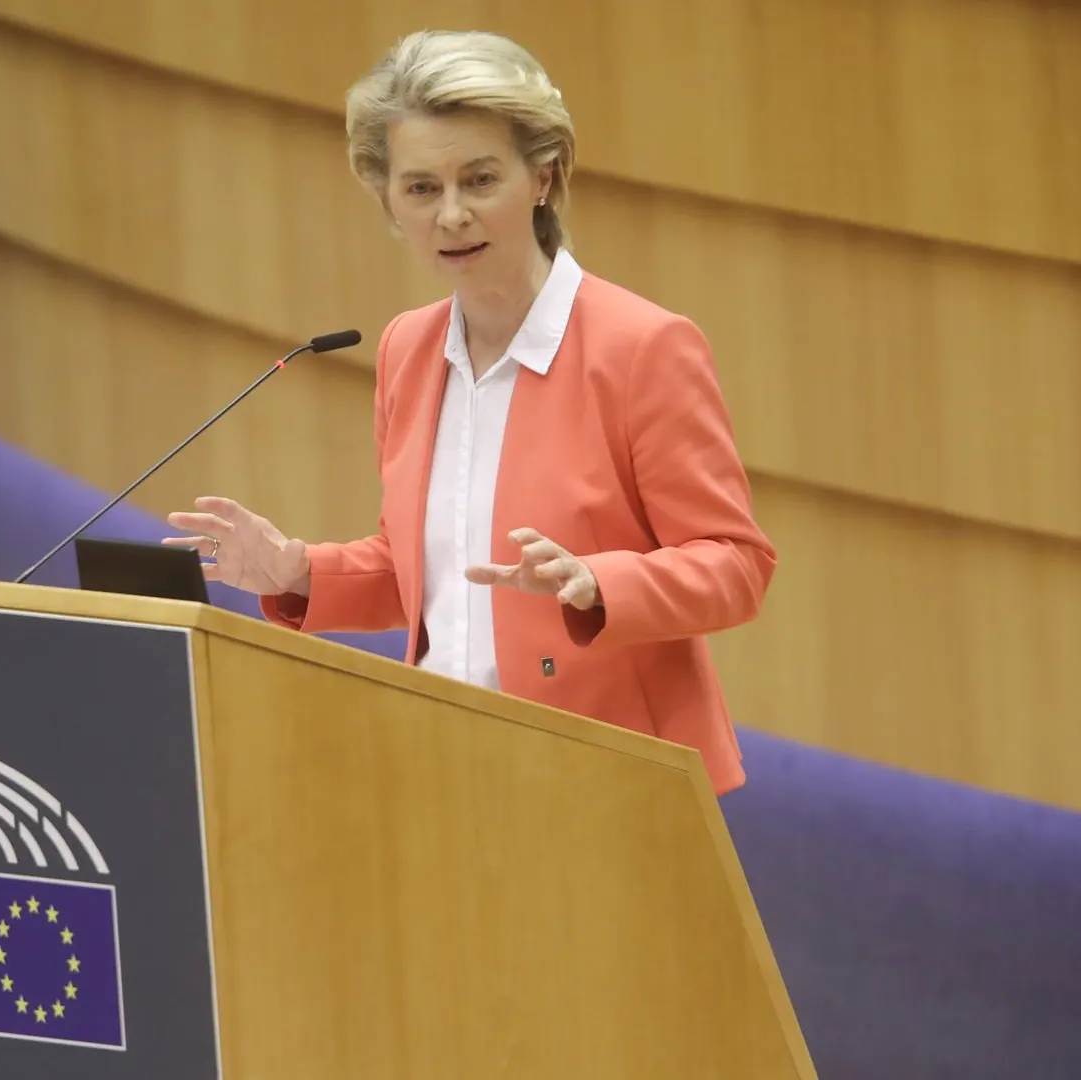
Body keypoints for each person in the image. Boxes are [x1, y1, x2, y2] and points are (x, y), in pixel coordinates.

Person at [166, 29, 775, 795]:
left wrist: (597, 580)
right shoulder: (408, 349)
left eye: (480, 180)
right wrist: (297, 570)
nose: (451, 214)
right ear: (389, 201)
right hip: (444, 768)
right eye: (421, 189)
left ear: (543, 178)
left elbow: (737, 564)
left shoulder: (642, 348)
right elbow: (419, 571)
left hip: (614, 778)